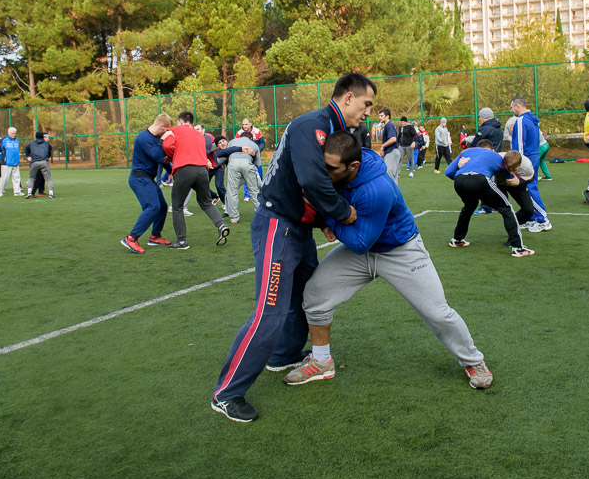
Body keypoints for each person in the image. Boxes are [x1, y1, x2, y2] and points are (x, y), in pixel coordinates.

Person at [212, 73, 374, 423]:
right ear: (348, 97)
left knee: (309, 296)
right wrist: (343, 214)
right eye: (366, 104)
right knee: (268, 315)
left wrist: (323, 220)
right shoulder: (311, 125)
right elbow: (312, 180)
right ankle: (227, 393)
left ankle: (282, 355)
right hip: (277, 226)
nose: (368, 112)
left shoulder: (335, 132)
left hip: (298, 229)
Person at [283, 131, 495, 389]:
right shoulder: (334, 169)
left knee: (437, 312)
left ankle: (473, 360)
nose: (323, 172)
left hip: (399, 250)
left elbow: (361, 242)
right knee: (315, 296)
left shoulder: (377, 188)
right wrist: (327, 215)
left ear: (353, 166)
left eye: (330, 168)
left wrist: (328, 220)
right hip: (361, 250)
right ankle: (321, 361)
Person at [444, 139, 534, 257]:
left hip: (459, 181)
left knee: (469, 206)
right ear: (492, 149)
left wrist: (462, 176)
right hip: (480, 180)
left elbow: (448, 172)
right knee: (506, 207)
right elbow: (508, 176)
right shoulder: (496, 157)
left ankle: (457, 239)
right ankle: (518, 248)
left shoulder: (465, 152)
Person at [162, 111, 229, 250]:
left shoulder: (175, 130)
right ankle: (221, 225)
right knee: (206, 202)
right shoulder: (200, 135)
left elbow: (167, 146)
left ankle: (181, 241)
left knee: (177, 206)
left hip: (184, 169)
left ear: (180, 121)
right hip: (203, 170)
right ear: (192, 122)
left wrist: (172, 154)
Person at [120, 114, 175, 253]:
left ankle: (155, 236)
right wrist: (163, 141)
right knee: (153, 207)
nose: (168, 133)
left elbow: (163, 160)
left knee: (162, 207)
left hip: (147, 179)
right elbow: (157, 155)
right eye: (167, 130)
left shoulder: (155, 139)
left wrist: (173, 171)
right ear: (161, 126)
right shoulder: (144, 138)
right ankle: (131, 238)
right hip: (139, 179)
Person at [509, 97, 550, 231]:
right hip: (533, 157)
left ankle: (543, 219)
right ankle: (531, 218)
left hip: (525, 160)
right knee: (531, 188)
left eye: (511, 107)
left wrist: (516, 164)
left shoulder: (521, 121)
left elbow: (519, 144)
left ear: (518, 106)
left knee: (529, 190)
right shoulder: (533, 119)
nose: (511, 110)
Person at [215, 131, 261, 224]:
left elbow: (224, 156)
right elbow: (258, 164)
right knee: (254, 191)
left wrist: (218, 161)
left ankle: (234, 218)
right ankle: (260, 215)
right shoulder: (254, 144)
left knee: (232, 192)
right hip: (247, 165)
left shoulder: (232, 141)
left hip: (233, 164)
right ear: (251, 138)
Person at [24, 131, 55, 199]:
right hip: (44, 162)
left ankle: (29, 192)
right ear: (42, 137)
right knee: (48, 178)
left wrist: (27, 156)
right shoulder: (46, 144)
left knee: (31, 178)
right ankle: (51, 193)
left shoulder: (32, 143)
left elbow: (26, 148)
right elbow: (50, 149)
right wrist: (48, 157)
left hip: (34, 162)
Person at [377, 108, 401, 182]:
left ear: (387, 116)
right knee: (393, 177)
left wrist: (383, 146)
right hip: (393, 152)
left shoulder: (389, 125)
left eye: (381, 115)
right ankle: (395, 193)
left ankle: (392, 193)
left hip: (392, 152)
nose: (379, 117)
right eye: (379, 116)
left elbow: (393, 139)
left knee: (389, 175)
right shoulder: (388, 125)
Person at [0, 127, 23, 197]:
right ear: (8, 133)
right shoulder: (3, 140)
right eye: (12, 133)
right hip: (6, 163)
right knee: (4, 178)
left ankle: (17, 192)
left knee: (17, 177)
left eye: (14, 133)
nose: (14, 135)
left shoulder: (17, 141)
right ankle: (0, 191)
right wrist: (2, 159)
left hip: (15, 162)